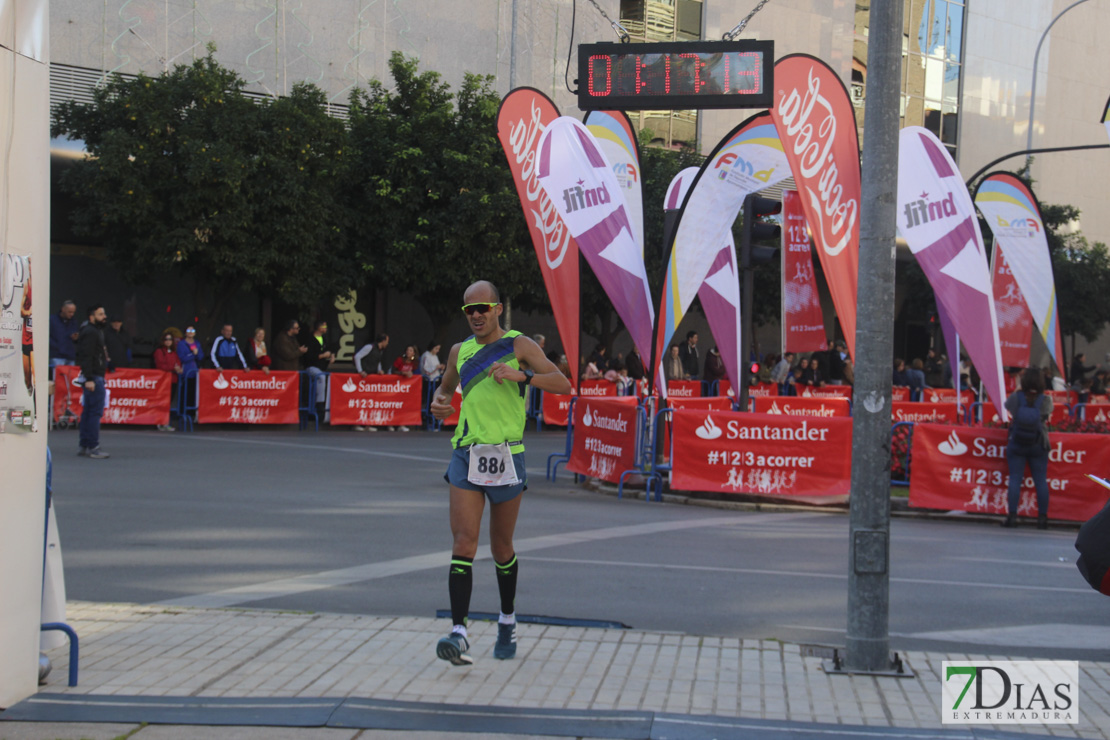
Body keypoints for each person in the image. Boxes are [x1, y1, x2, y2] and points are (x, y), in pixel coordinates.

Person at [429, 280, 570, 665]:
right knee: (464, 543)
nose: (475, 315)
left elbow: (563, 384)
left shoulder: (520, 345)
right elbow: (443, 391)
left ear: (496, 309)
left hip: (507, 455)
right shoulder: (459, 351)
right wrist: (439, 406)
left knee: (501, 547)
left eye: (482, 308)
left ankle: (507, 620)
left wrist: (520, 376)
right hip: (466, 454)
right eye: (468, 310)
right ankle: (459, 633)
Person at [1002, 367, 1053, 530]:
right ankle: (1042, 519)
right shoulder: (1045, 400)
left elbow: (1007, 405)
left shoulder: (1017, 398)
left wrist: (1018, 390)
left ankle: (1012, 516)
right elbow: (1047, 415)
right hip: (1038, 443)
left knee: (1015, 479)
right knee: (1040, 481)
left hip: (1017, 442)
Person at [75, 305, 110, 459]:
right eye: (100, 314)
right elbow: (87, 355)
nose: (104, 316)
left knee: (88, 412)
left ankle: (85, 445)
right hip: (94, 376)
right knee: (94, 412)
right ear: (92, 316)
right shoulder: (92, 332)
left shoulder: (92, 331)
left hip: (93, 375)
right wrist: (89, 378)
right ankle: (93, 446)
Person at [302, 320, 335, 412]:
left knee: (321, 379)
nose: (326, 329)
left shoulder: (324, 338)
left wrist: (332, 355)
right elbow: (309, 356)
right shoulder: (310, 339)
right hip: (311, 366)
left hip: (322, 367)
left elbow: (329, 348)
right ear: (319, 328)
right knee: (321, 377)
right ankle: (319, 402)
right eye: (324, 327)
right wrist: (323, 355)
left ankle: (319, 403)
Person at [152, 332, 181, 432]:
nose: (168, 341)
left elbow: (178, 363)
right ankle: (160, 422)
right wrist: (173, 368)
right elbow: (160, 365)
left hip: (173, 380)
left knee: (168, 403)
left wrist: (179, 369)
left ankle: (165, 422)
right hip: (163, 381)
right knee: (162, 402)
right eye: (166, 339)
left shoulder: (173, 352)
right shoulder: (159, 351)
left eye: (170, 339)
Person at [49, 300, 79, 375]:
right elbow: (46, 336)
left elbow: (76, 337)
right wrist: (55, 347)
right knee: (58, 380)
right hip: (57, 355)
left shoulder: (73, 322)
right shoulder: (52, 320)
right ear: (63, 309)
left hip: (70, 355)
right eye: (69, 312)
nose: (71, 314)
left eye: (73, 312)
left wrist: (76, 338)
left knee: (70, 380)